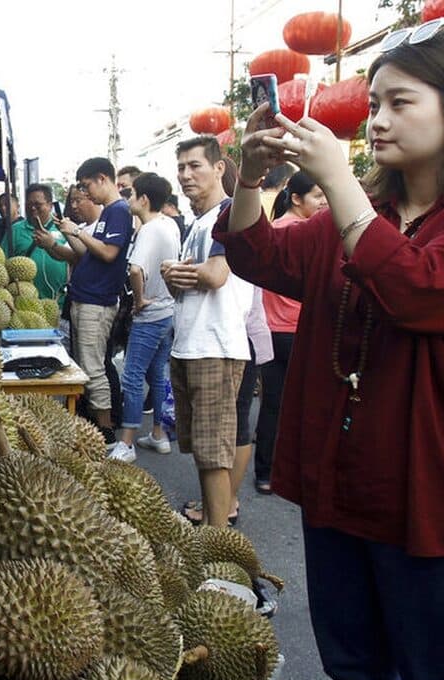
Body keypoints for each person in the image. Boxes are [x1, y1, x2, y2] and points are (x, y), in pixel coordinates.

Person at [219, 19, 444, 680]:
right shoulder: (368, 209)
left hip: (433, 496)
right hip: (342, 489)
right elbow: (259, 256)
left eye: (400, 103)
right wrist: (250, 180)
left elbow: (416, 289)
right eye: (374, 106)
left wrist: (337, 180)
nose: (379, 121)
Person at [164, 136, 253, 528]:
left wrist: (178, 272)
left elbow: (216, 275)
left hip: (216, 346)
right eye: (181, 167)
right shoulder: (196, 223)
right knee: (202, 450)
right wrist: (175, 275)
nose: (186, 175)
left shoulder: (231, 213)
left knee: (214, 452)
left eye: (195, 165)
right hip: (189, 345)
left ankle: (217, 539)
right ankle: (209, 526)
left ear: (218, 168)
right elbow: (181, 287)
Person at [49, 158, 134, 444]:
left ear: (102, 178)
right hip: (85, 299)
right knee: (87, 366)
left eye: (87, 186)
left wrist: (77, 231)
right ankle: (96, 430)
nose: (86, 193)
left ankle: (105, 433)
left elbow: (109, 253)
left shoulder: (118, 211)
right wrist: (69, 233)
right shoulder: (110, 212)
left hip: (96, 304)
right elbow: (89, 254)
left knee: (93, 368)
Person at [254, 170, 328, 494]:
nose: (324, 202)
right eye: (318, 196)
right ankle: (295, 470)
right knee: (302, 405)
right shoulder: (307, 233)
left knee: (272, 405)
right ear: (296, 198)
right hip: (299, 331)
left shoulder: (274, 230)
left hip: (270, 331)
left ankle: (265, 472)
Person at [108, 172, 179, 461]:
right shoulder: (169, 224)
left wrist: (139, 300)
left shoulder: (149, 230)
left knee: (133, 375)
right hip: (168, 311)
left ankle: (126, 443)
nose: (128, 199)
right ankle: (159, 435)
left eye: (132, 194)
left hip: (149, 315)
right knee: (157, 374)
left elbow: (135, 269)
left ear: (144, 199)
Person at [14, 183, 70, 306]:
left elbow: (74, 257)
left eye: (38, 205)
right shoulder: (15, 230)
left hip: (59, 301)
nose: (33, 208)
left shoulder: (63, 227)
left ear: (50, 206)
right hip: (24, 304)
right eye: (29, 204)